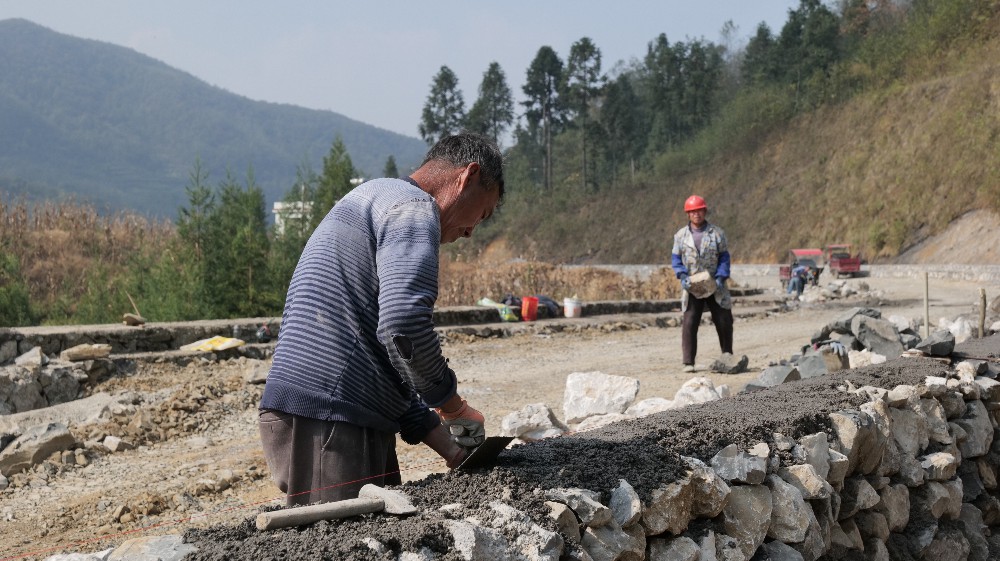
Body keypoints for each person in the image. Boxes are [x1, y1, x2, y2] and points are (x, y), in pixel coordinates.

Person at [259, 132, 504, 506]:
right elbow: (403, 325)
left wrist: (448, 446)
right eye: (481, 214)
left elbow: (382, 352)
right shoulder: (413, 209)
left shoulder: (379, 196)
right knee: (345, 543)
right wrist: (452, 405)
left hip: (329, 411)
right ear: (467, 177)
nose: (471, 231)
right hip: (332, 417)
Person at [671, 195, 734, 373]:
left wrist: (721, 277)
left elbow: (724, 257)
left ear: (704, 211)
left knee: (723, 319)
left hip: (715, 283)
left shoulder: (717, 233)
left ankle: (727, 355)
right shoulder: (680, 236)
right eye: (692, 211)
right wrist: (682, 275)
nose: (696, 214)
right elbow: (676, 259)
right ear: (688, 214)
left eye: (699, 210)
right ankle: (688, 362)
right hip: (692, 284)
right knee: (690, 321)